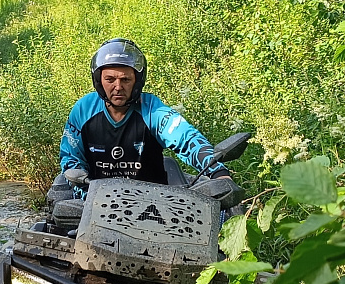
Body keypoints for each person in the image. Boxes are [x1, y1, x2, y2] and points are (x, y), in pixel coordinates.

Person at [59, 39, 237, 199]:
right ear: (99, 80)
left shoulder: (152, 109)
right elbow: (71, 158)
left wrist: (218, 173)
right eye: (110, 79)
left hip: (153, 203)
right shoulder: (83, 109)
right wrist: (85, 193)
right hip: (97, 203)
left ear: (137, 81)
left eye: (126, 79)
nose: (118, 87)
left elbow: (186, 138)